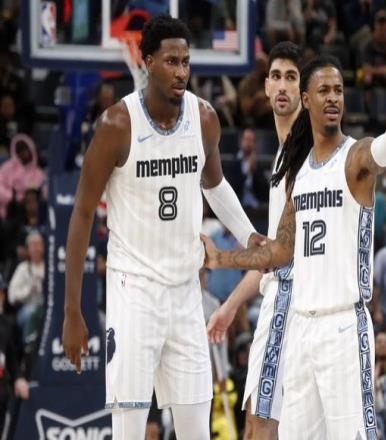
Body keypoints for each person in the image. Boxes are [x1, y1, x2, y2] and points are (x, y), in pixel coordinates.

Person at [62, 14, 263, 440]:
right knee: (130, 430)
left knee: (197, 431)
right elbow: (82, 213)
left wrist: (251, 238)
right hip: (133, 290)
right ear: (148, 62)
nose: (181, 71)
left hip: (186, 291)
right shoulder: (117, 125)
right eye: (171, 61)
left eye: (185, 62)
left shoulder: (204, 118)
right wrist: (72, 311)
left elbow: (215, 185)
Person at [203, 54, 386, 438]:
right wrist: (219, 258)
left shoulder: (354, 157)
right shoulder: (300, 174)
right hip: (302, 328)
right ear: (306, 100)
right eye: (324, 90)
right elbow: (279, 252)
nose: (333, 97)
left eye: (339, 90)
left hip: (343, 324)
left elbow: (381, 152)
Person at [207, 41, 302, 439]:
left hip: (293, 302)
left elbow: (278, 255)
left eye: (291, 77)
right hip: (282, 294)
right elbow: (271, 253)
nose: (282, 85)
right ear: (265, 86)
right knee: (259, 426)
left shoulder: (306, 153)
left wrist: (220, 260)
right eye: (276, 76)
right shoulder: (281, 157)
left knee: (260, 427)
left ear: (304, 90)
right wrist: (230, 306)